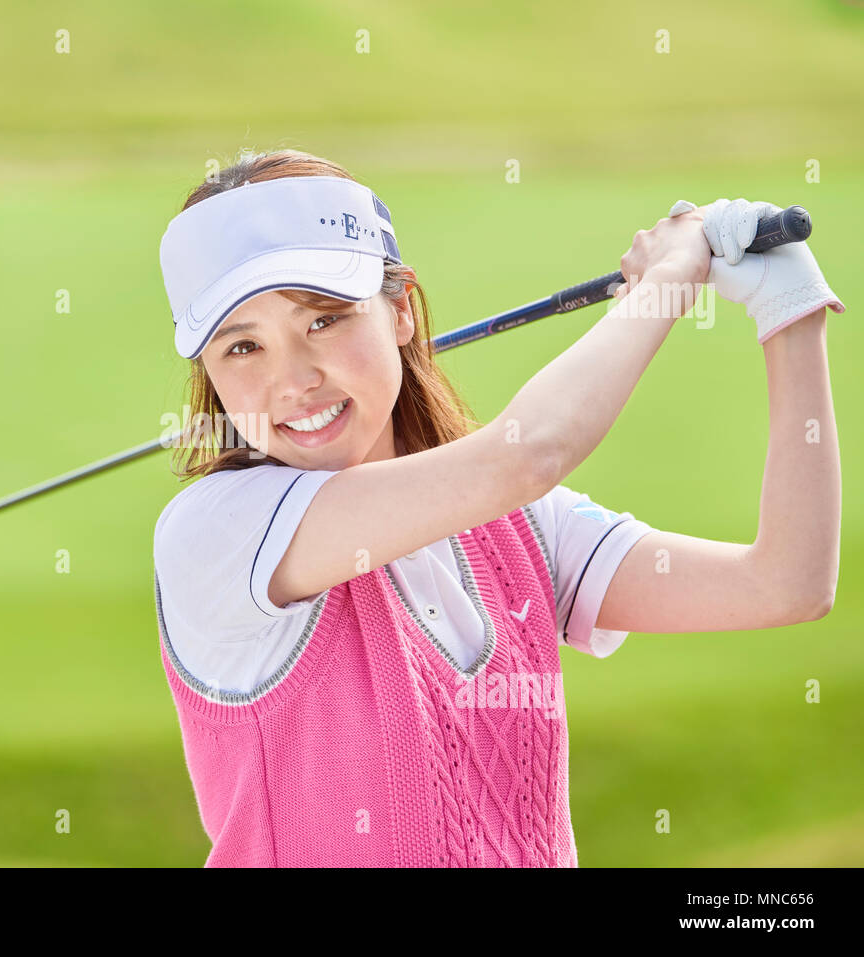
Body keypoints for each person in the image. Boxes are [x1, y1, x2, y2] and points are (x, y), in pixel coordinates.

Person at [152, 148, 844, 867]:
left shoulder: (519, 527)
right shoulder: (215, 533)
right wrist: (667, 281)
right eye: (242, 346)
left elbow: (786, 582)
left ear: (400, 312)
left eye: (323, 321)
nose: (291, 380)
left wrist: (788, 312)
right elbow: (527, 454)